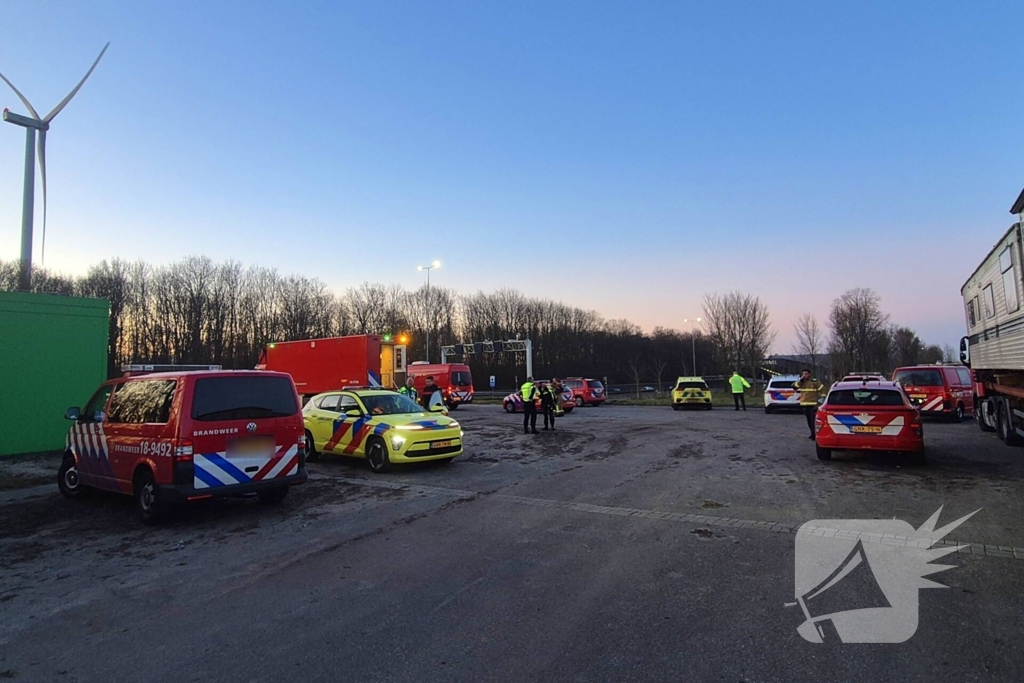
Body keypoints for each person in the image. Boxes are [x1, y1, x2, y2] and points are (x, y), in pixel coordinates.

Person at [793, 369, 826, 439]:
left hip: (813, 405)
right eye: (804, 374)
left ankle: (814, 434)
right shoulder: (801, 382)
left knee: (813, 420)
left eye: (806, 374)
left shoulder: (814, 381)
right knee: (809, 420)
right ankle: (812, 433)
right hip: (804, 404)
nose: (805, 375)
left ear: (809, 374)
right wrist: (800, 381)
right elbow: (794, 387)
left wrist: (821, 400)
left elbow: (822, 390)